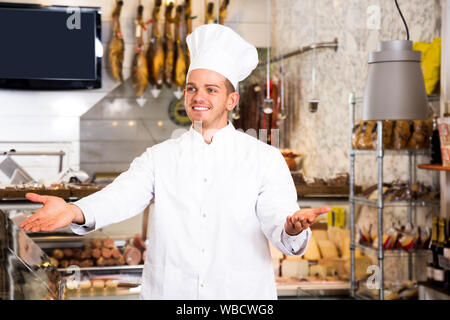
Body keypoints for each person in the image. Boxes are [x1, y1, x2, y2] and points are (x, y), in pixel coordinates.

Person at [20, 24, 330, 299]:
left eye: (211, 90)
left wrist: (291, 228)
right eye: (192, 88)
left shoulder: (265, 159)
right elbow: (122, 195)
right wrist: (75, 210)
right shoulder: (160, 157)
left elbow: (279, 220)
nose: (199, 97)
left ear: (231, 100)